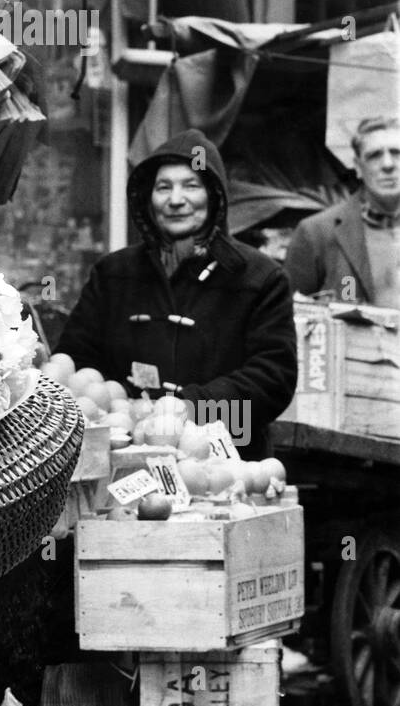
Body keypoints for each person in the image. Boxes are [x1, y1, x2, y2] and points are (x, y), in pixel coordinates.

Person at [57, 128, 296, 460]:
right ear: (148, 199)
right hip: (124, 457)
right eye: (163, 187)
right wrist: (115, 410)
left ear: (214, 195)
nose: (176, 199)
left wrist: (191, 409)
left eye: (191, 185)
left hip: (225, 463)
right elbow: (76, 361)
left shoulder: (260, 278)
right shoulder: (114, 273)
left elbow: (273, 380)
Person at [285, 116, 400, 310]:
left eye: (397, 153)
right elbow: (286, 318)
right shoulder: (316, 233)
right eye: (374, 156)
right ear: (357, 166)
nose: (388, 165)